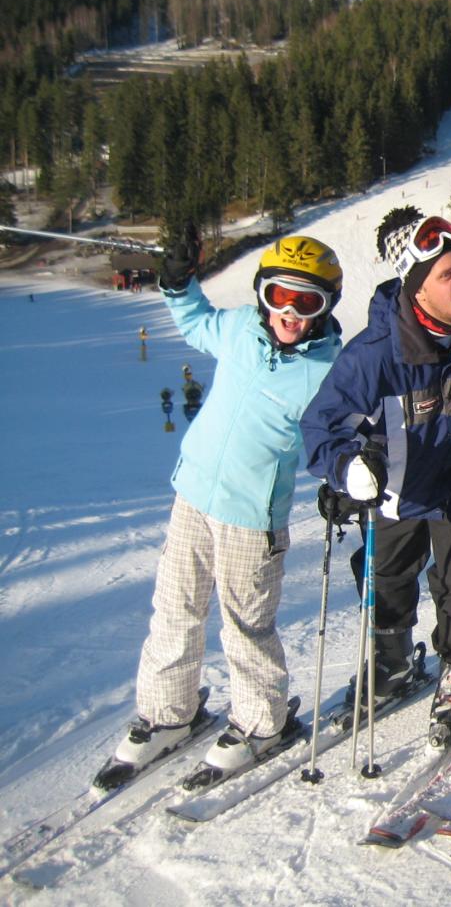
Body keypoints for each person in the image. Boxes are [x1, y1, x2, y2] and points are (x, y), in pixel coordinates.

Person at [99, 233, 343, 786]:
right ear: (262, 295)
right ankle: (168, 713)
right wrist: (178, 281)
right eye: (280, 295)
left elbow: (346, 430)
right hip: (193, 494)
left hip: (251, 519)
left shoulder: (328, 370)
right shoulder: (239, 329)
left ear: (326, 306)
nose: (290, 313)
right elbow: (193, 321)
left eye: (307, 303)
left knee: (245, 625)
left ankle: (263, 723)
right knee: (175, 607)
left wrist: (347, 474)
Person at [301, 207, 451, 749]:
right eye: (445, 275)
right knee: (384, 575)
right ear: (416, 290)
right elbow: (320, 426)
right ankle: (392, 660)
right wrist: (346, 468)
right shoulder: (374, 355)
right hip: (397, 489)